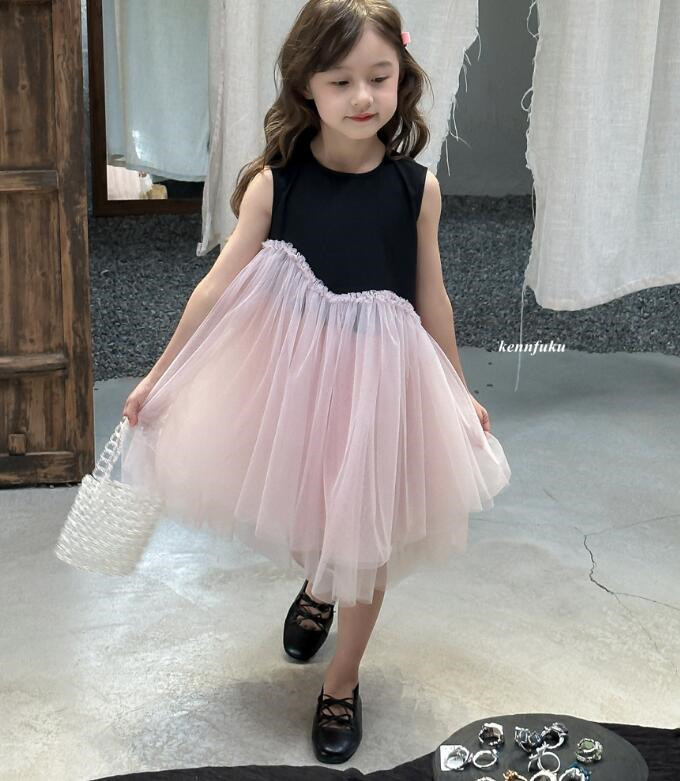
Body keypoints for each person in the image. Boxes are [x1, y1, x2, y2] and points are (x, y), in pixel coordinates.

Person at [119, 0, 511, 765]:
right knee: (311, 516)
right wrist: (159, 376)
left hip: (385, 385)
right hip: (295, 380)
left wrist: (459, 391)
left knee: (367, 534)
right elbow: (214, 290)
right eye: (341, 81)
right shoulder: (278, 186)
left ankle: (341, 678)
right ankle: (319, 584)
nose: (363, 97)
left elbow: (432, 298)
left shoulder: (416, 189)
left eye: (380, 77)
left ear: (402, 78)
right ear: (306, 87)